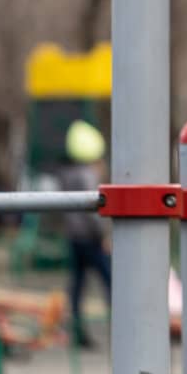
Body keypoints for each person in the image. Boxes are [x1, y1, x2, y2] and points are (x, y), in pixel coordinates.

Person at [59, 120, 111, 348]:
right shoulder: (87, 174)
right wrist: (103, 235)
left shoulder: (66, 173)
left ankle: (78, 331)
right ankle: (123, 327)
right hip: (91, 238)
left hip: (74, 237)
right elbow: (93, 212)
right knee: (110, 281)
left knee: (78, 285)